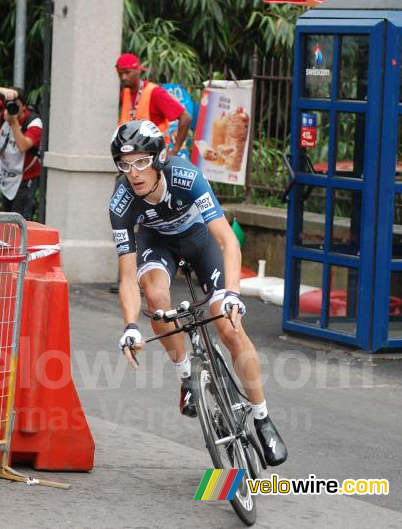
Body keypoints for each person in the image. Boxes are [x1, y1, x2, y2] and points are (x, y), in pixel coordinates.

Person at [108, 120, 287, 466]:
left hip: (199, 239)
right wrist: (130, 326)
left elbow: (228, 241)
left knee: (228, 327)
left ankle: (263, 418)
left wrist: (233, 293)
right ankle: (187, 376)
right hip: (157, 244)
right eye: (125, 165)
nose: (134, 173)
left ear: (159, 158)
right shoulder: (121, 203)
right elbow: (127, 276)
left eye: (142, 161)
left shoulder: (186, 177)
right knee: (156, 298)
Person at [0, 85, 43, 220]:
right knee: (7, 218)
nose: (12, 108)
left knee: (19, 219)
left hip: (25, 178)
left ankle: (21, 235)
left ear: (23, 106)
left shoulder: (34, 123)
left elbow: (23, 146)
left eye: (16, 104)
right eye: (9, 104)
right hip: (6, 176)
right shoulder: (4, 112)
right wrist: (2, 91)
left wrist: (13, 122)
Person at [116, 53, 192, 156]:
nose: (123, 77)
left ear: (138, 71)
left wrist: (175, 150)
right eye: (120, 74)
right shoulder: (125, 93)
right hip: (133, 155)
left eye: (127, 72)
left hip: (155, 155)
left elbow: (185, 117)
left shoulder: (155, 93)